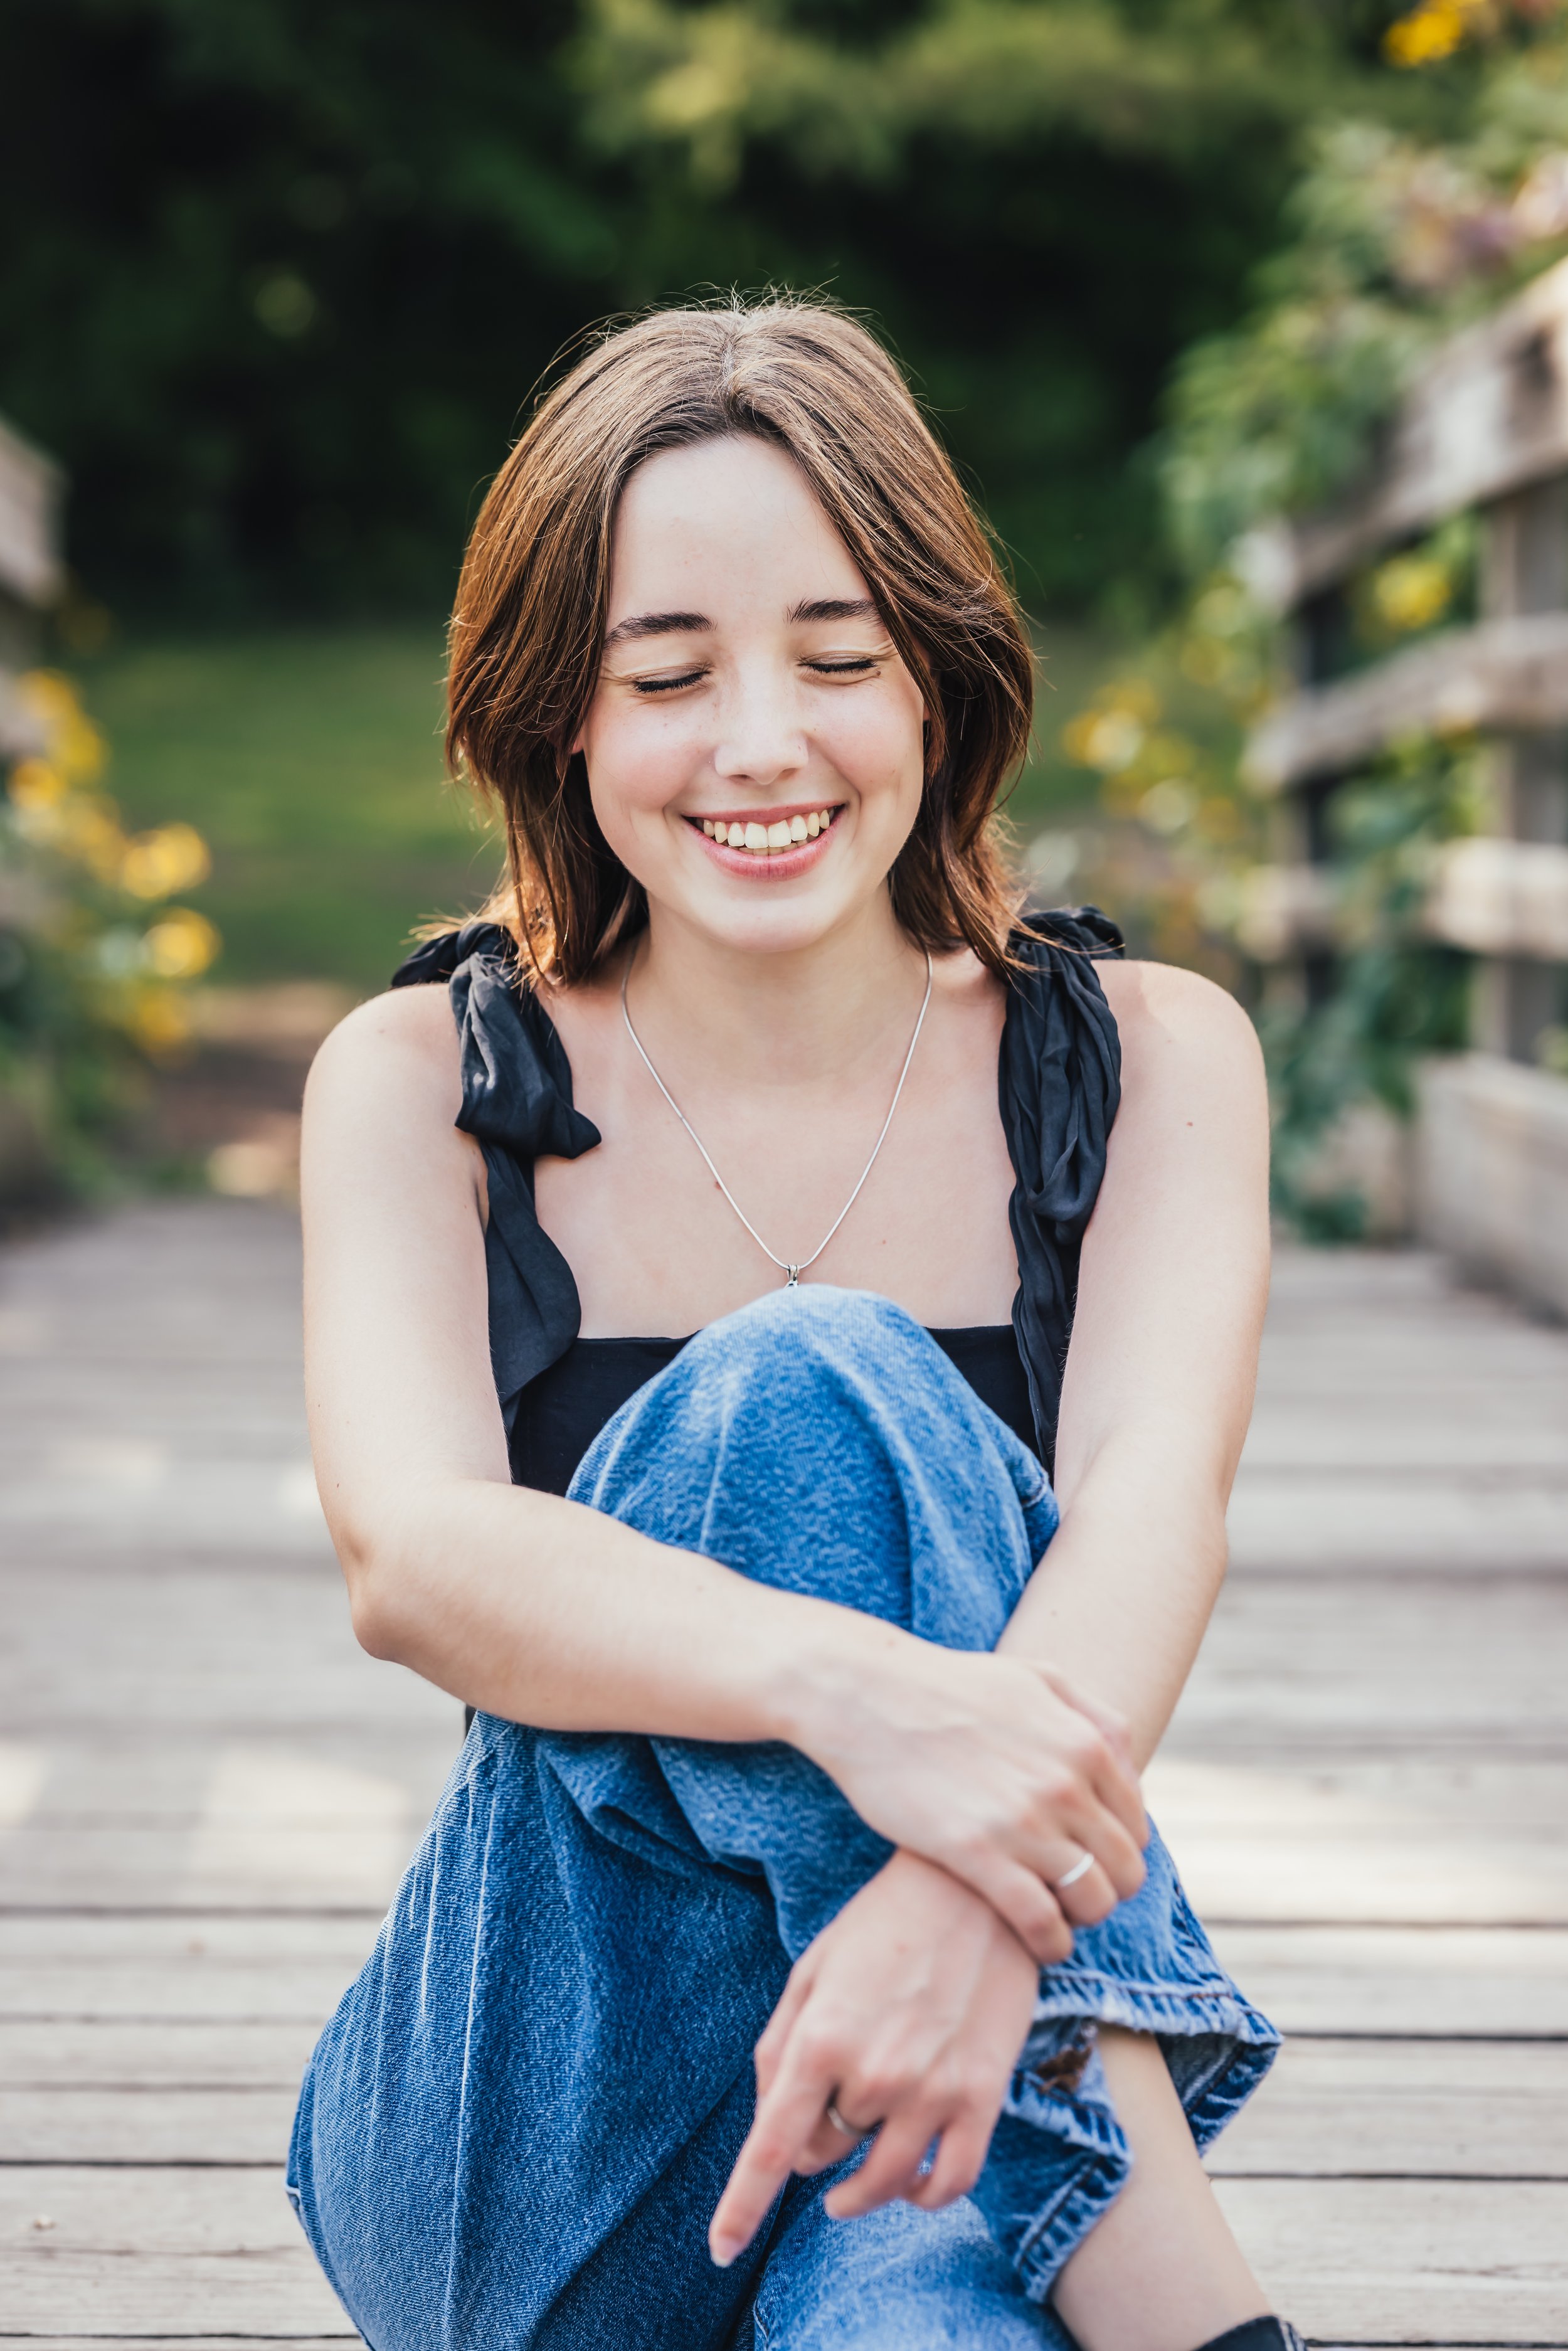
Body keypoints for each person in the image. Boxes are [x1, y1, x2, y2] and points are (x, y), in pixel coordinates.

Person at [288, 297, 1301, 2351]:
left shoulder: (1142, 1057)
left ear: (937, 678)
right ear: (561, 715)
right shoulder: (419, 1083)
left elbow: (1145, 1514)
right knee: (813, 1383)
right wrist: (867, 1696)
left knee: (929, 2304)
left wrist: (951, 1907)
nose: (761, 742)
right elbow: (418, 1561)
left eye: (835, 661)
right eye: (667, 675)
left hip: (946, 2077)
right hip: (539, 2143)